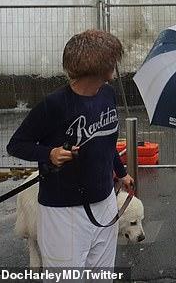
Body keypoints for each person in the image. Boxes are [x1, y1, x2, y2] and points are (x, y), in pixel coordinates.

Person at [7, 30, 134, 271]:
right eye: (113, 62)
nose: (116, 68)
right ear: (100, 68)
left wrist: (122, 172)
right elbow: (16, 144)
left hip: (105, 201)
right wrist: (49, 154)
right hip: (62, 211)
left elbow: (106, 141)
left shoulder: (107, 94)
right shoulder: (53, 105)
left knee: (101, 273)